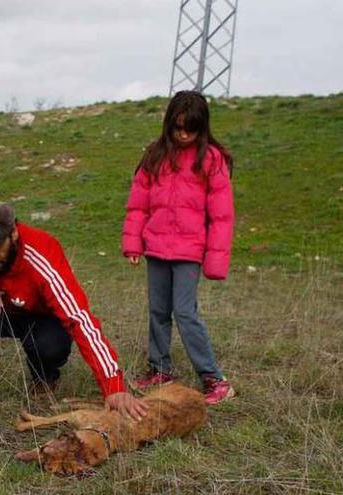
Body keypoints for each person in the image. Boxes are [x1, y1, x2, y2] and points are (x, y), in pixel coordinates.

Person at [0, 201, 148, 421]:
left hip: (40, 320)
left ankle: (44, 376)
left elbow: (80, 319)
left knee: (51, 345)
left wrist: (113, 386)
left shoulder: (42, 253)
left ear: (14, 233)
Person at [122, 90, 235, 405]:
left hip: (189, 252)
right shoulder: (155, 155)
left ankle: (214, 379)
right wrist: (133, 243)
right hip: (156, 248)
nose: (184, 134)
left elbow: (222, 216)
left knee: (185, 313)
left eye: (191, 128)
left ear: (203, 128)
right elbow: (138, 205)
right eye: (178, 127)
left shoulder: (212, 159)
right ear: (168, 123)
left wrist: (214, 261)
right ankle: (160, 369)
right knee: (158, 311)